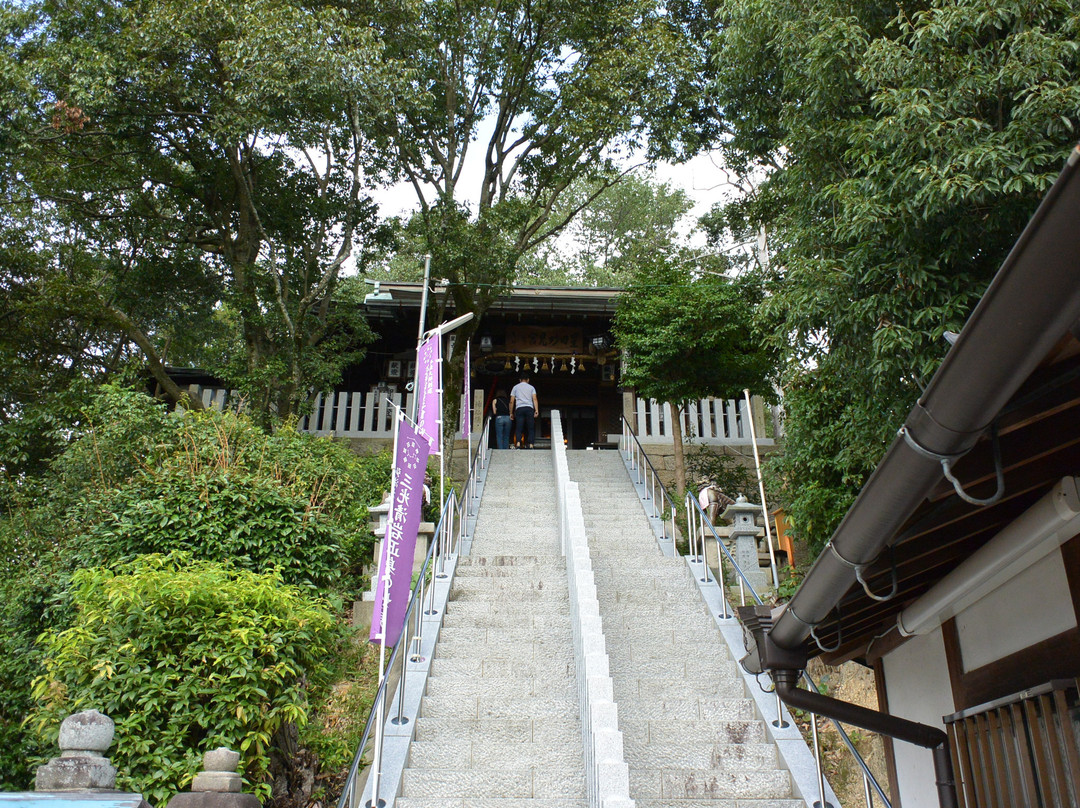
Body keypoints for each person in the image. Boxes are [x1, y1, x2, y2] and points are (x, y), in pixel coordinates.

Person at [510, 373, 538, 449]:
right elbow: (534, 399)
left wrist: (511, 412)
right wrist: (536, 410)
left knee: (519, 426)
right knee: (530, 427)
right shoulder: (531, 387)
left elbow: (512, 401)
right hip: (529, 408)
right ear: (528, 380)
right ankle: (531, 444)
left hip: (519, 408)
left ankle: (518, 443)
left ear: (520, 380)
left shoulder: (515, 387)